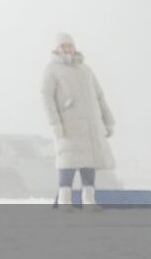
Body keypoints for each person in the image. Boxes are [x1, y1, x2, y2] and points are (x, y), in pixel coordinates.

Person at [41, 33, 116, 207]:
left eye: (70, 45)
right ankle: (65, 200)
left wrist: (108, 120)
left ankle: (89, 199)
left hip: (91, 128)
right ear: (57, 49)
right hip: (69, 127)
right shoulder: (52, 69)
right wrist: (55, 124)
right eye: (64, 46)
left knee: (89, 164)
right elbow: (46, 97)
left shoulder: (85, 69)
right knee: (67, 164)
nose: (68, 49)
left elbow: (99, 96)